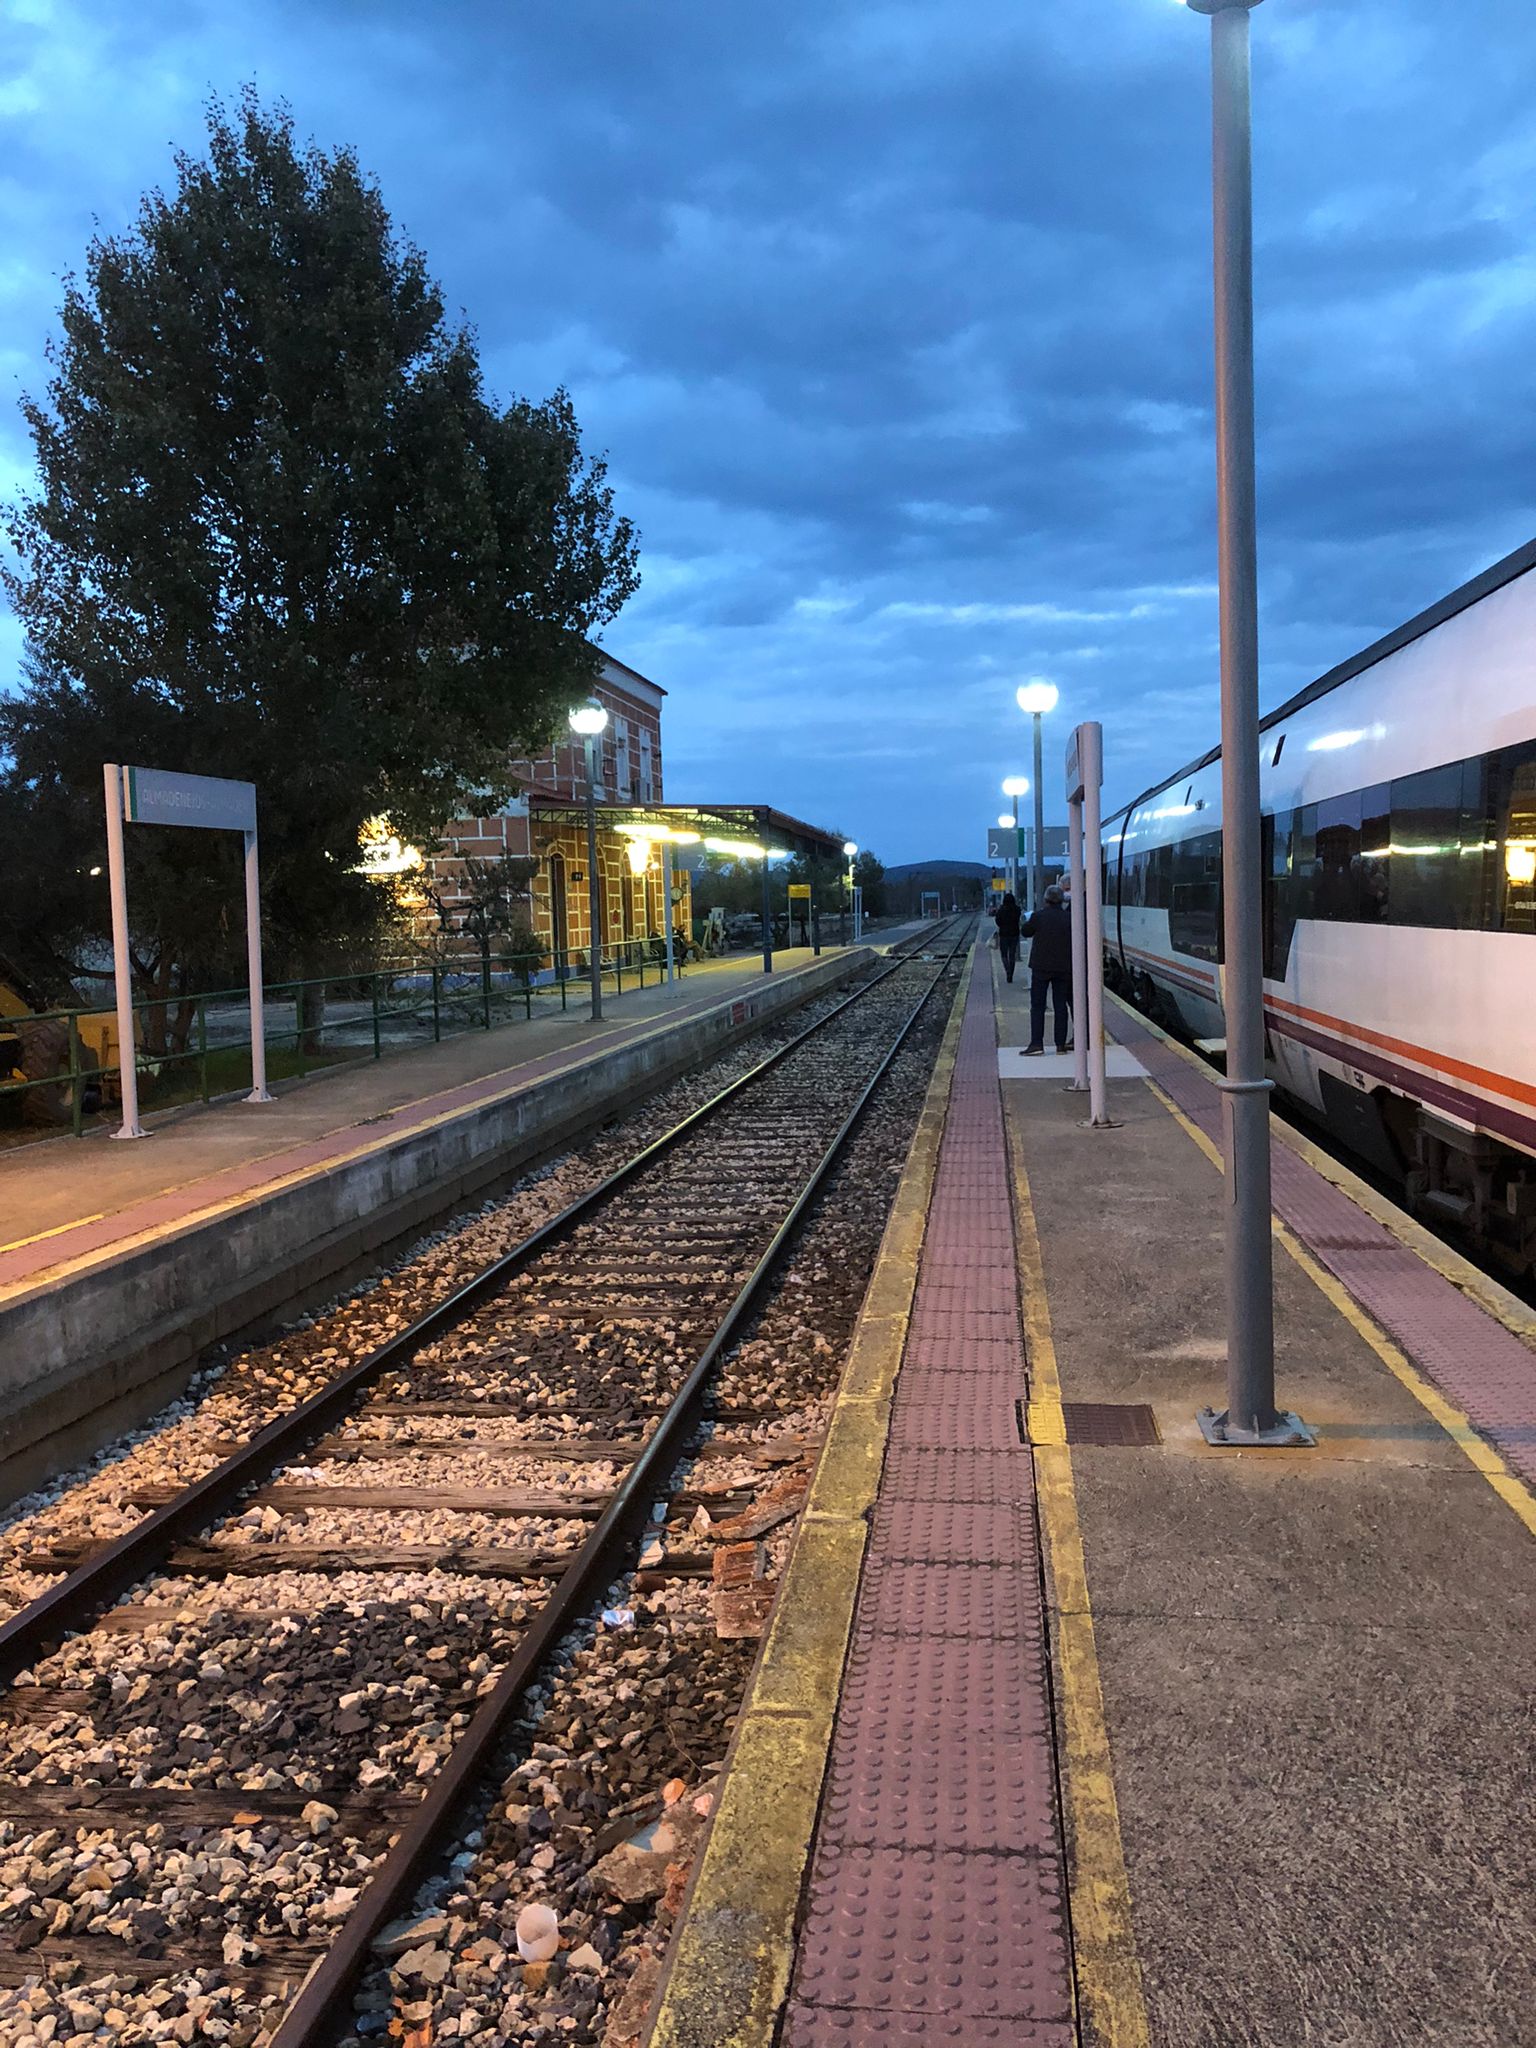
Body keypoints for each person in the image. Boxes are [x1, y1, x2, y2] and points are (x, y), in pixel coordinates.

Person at [1022, 884, 1073, 1054]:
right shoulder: (1070, 918)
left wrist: (1028, 919)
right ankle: (1060, 1044)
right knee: (1060, 1005)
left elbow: (1026, 932)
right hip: (1064, 967)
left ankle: (1037, 1043)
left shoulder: (1038, 917)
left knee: (1037, 1005)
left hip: (1041, 967)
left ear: (1045, 899)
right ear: (1062, 900)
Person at [994, 890, 1022, 982]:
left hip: (1004, 934)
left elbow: (997, 921)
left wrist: (1002, 926)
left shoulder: (1001, 910)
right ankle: (1011, 974)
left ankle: (1008, 971)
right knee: (1012, 955)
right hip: (1014, 934)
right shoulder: (1017, 910)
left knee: (1004, 955)